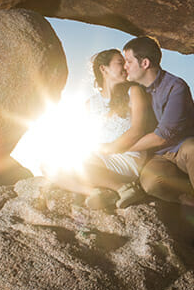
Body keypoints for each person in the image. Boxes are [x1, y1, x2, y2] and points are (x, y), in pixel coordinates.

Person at [121, 36, 194, 244]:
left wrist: (120, 148)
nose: (125, 67)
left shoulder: (176, 86)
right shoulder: (135, 91)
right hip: (158, 157)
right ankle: (192, 200)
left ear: (145, 63)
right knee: (150, 183)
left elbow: (163, 136)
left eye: (128, 61)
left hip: (181, 149)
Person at [50, 49, 153, 211]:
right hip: (99, 158)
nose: (126, 67)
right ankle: (99, 191)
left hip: (126, 155)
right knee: (49, 165)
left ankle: (124, 187)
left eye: (126, 63)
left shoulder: (134, 91)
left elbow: (138, 130)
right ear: (103, 69)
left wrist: (108, 149)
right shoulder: (90, 103)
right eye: (120, 63)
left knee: (72, 164)